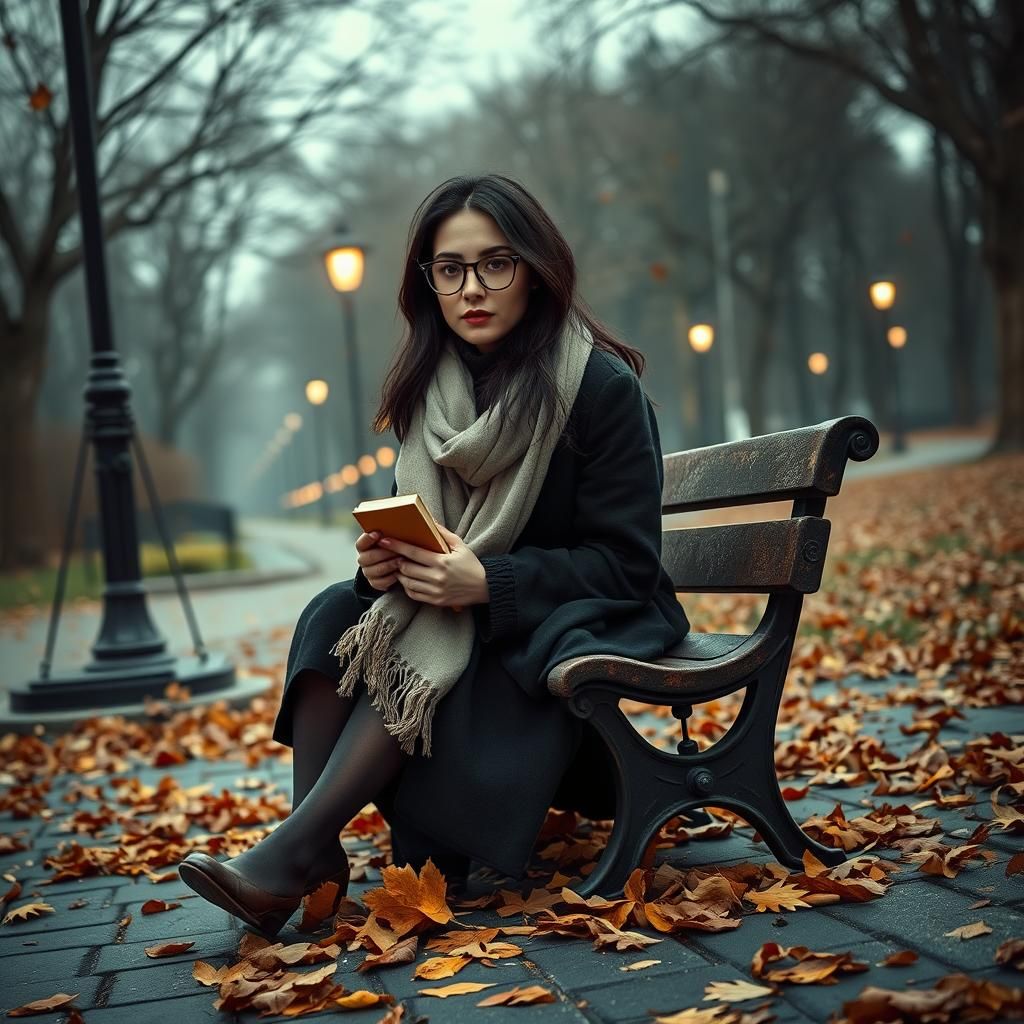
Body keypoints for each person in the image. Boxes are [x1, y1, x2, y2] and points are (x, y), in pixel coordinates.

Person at [178, 173, 691, 938]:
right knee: (336, 611)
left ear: (536, 268)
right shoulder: (432, 395)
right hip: (487, 622)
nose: (472, 288)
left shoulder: (598, 388)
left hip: (578, 627)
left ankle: (294, 855)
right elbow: (421, 536)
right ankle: (308, 850)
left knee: (441, 633)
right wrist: (382, 567)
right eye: (450, 269)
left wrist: (488, 582)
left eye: (495, 264)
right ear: (428, 283)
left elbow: (627, 566)